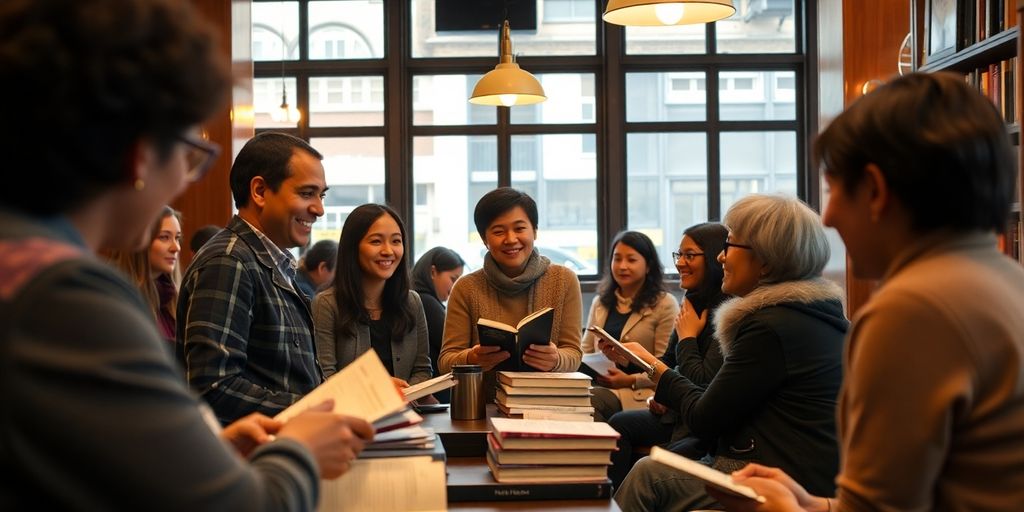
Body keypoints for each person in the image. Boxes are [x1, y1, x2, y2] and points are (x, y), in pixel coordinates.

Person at [0, 0, 372, 508]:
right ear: (139, 152)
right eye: (187, 154)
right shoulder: (65, 296)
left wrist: (208, 449)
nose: (183, 180)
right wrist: (299, 449)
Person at [714, 73, 1024, 512]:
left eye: (834, 190)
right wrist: (812, 503)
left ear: (875, 190)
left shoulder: (913, 310)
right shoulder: (1006, 280)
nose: (829, 217)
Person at [611, 194, 848, 511]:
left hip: (776, 478)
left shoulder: (770, 327)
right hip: (800, 471)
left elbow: (705, 418)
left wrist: (656, 369)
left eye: (730, 245)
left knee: (648, 475)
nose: (721, 258)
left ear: (765, 260)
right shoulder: (814, 315)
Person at [177, 131, 327, 424]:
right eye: (307, 193)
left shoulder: (271, 262)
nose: (319, 209)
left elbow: (286, 376)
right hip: (255, 462)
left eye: (321, 195)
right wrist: (318, 409)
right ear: (259, 191)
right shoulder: (229, 261)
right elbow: (214, 387)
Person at [606, 222, 729, 487]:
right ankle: (605, 497)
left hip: (700, 423)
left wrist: (686, 337)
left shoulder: (726, 311)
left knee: (648, 463)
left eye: (690, 255)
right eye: (679, 255)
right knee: (617, 424)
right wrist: (628, 358)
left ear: (713, 257)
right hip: (677, 410)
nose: (681, 263)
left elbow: (702, 380)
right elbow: (669, 362)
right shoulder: (693, 300)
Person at [439, 187, 583, 399]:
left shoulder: (564, 280)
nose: (510, 239)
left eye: (519, 228)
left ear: (534, 230)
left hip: (550, 405)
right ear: (484, 239)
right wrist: (471, 358)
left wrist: (556, 359)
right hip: (483, 408)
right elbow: (445, 362)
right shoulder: (466, 287)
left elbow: (573, 352)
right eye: (498, 231)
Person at [312, 204, 432, 390]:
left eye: (396, 241)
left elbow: (422, 370)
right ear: (353, 247)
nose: (388, 251)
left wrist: (404, 394)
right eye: (376, 241)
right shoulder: (327, 304)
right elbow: (324, 377)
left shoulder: (412, 301)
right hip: (351, 416)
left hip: (406, 414)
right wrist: (378, 389)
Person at [581, 230, 679, 423]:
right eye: (617, 259)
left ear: (648, 265)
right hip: (598, 384)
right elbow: (584, 351)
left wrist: (630, 380)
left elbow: (666, 364)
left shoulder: (665, 304)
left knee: (591, 401)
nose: (622, 266)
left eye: (631, 260)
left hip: (640, 393)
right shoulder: (600, 302)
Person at [107, 206, 183, 341]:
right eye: (164, 237)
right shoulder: (117, 295)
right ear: (140, 240)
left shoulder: (173, 298)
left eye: (177, 238)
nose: (175, 247)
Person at [411, 246, 466, 403]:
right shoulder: (426, 302)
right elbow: (453, 345)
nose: (456, 287)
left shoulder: (423, 300)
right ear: (433, 272)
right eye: (453, 279)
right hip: (435, 396)